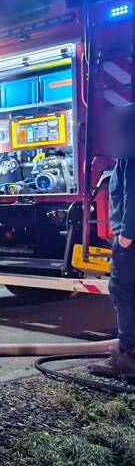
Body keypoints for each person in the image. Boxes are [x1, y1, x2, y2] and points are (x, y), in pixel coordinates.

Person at [90, 104, 135, 378]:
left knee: (124, 291)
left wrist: (126, 237)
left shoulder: (130, 156)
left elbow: (132, 198)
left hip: (132, 241)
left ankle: (128, 356)